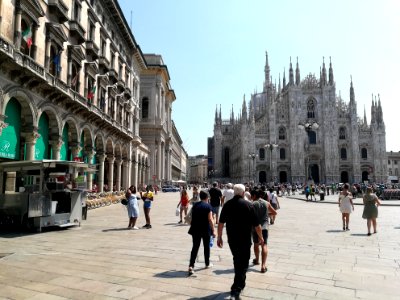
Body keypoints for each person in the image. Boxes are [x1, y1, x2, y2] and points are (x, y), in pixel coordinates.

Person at [217, 184, 264, 299]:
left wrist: (219, 237)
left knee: (237, 260)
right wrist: (261, 237)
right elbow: (257, 225)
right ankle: (236, 287)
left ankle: (239, 284)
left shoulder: (227, 205)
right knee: (244, 263)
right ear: (243, 193)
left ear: (234, 192)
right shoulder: (249, 205)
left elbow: (221, 223)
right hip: (245, 238)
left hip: (232, 238)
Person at [188, 190, 215, 275]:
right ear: (207, 197)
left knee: (195, 247)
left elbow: (191, 217)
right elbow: (210, 219)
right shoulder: (208, 206)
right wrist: (213, 230)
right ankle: (207, 263)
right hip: (205, 229)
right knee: (206, 247)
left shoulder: (195, 205)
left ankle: (191, 265)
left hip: (195, 229)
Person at [250, 189, 277, 273]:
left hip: (255, 227)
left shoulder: (252, 204)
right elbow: (275, 213)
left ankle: (257, 260)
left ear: (254, 196)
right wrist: (267, 215)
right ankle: (263, 265)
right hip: (264, 227)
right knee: (264, 245)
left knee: (256, 244)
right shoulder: (267, 203)